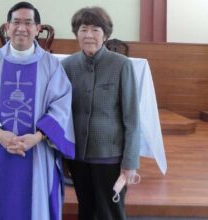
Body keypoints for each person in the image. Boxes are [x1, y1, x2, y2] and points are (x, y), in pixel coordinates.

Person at [0, 2, 75, 220]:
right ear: (7, 27)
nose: (21, 28)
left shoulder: (51, 65)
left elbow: (61, 106)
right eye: (16, 22)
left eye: (28, 23)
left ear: (37, 28)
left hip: (36, 149)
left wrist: (37, 136)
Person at [61, 6, 140, 220]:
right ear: (76, 33)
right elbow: (61, 114)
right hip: (78, 156)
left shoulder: (121, 65)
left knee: (110, 212)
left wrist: (130, 162)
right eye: (83, 29)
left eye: (95, 30)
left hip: (110, 156)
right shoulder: (67, 66)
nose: (89, 35)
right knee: (85, 210)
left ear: (105, 35)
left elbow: (132, 118)